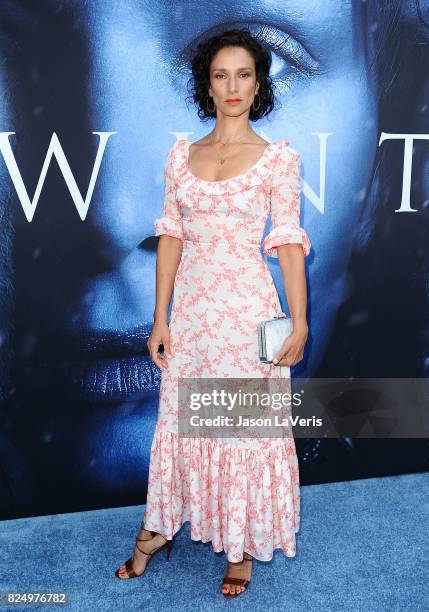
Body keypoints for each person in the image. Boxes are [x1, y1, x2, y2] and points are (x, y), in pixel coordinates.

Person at [115, 28, 312, 598]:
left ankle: (242, 542)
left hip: (250, 315)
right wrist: (161, 317)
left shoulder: (278, 160)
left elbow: (290, 244)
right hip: (195, 318)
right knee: (180, 423)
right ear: (208, 83)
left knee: (245, 431)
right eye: (221, 75)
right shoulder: (182, 156)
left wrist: (298, 321)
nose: (233, 86)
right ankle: (155, 531)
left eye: (244, 74)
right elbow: (172, 239)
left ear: (258, 85)